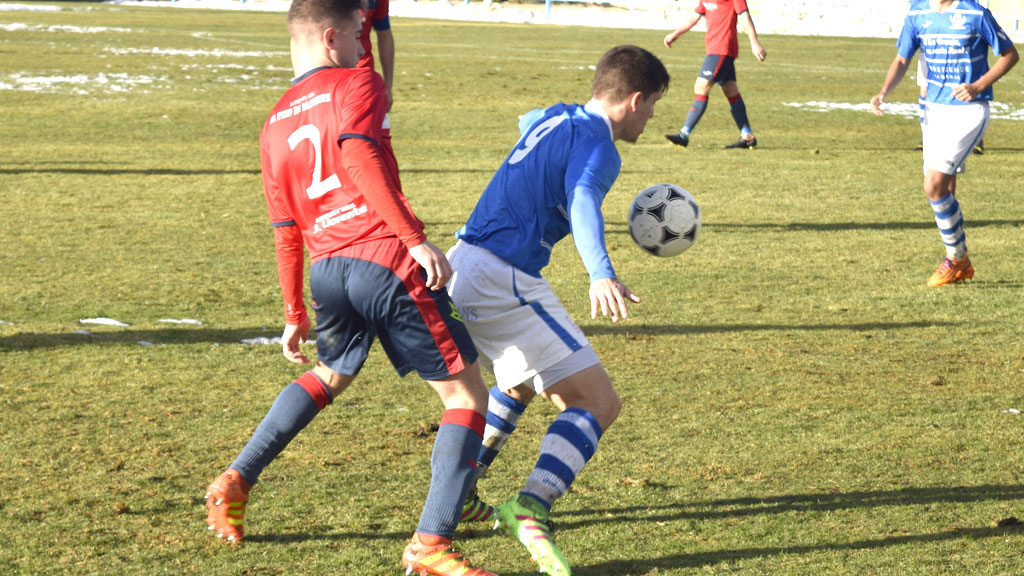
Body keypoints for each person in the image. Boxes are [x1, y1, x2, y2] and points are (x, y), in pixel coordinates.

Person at [204, 2, 496, 575]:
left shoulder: (274, 121)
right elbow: (359, 154)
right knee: (466, 398)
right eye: (360, 33)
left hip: (328, 270)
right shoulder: (359, 82)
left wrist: (294, 309)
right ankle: (431, 546)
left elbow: (285, 226)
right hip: (383, 258)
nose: (366, 44)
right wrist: (413, 239)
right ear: (333, 35)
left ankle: (236, 478)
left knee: (331, 373)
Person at [446, 45, 670, 576]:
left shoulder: (555, 116)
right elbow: (584, 201)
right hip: (504, 275)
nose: (654, 115)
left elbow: (528, 121)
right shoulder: (601, 149)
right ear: (634, 100)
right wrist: (600, 271)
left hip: (463, 263)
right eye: (655, 104)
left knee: (518, 381)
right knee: (598, 401)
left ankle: (462, 490)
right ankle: (532, 506)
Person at [870, 0, 1017, 286]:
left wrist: (978, 85)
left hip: (969, 110)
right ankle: (958, 260)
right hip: (933, 109)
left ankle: (957, 259)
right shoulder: (917, 12)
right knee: (944, 186)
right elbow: (902, 59)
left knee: (933, 185)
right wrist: (883, 92)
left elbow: (1009, 55)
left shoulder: (975, 13)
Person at [663, 0, 765, 149]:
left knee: (701, 87)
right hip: (714, 48)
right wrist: (676, 33)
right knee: (731, 91)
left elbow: (744, 16)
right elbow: (694, 16)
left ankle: (684, 134)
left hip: (722, 48)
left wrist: (754, 42)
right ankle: (747, 136)